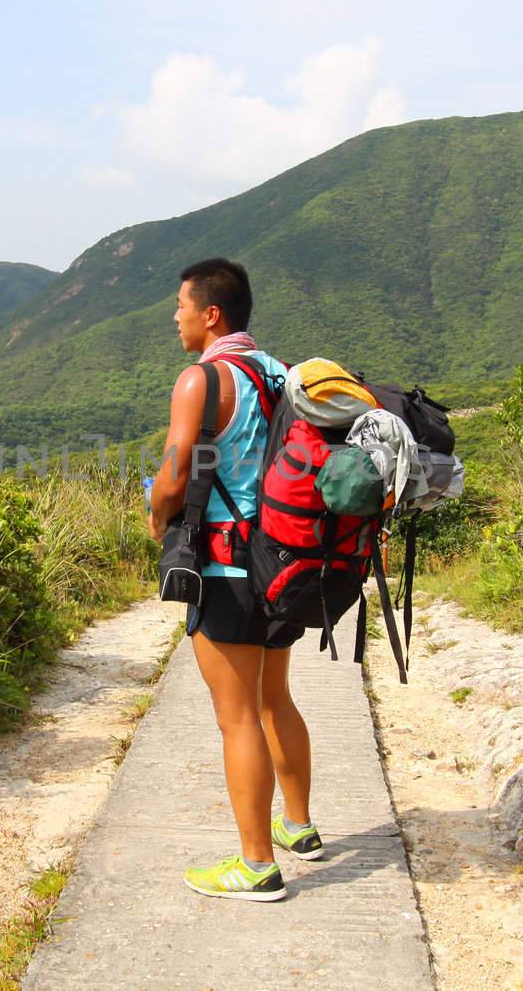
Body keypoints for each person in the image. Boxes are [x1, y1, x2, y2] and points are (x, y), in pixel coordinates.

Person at [146, 257, 325, 903]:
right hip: (287, 561)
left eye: (181, 304)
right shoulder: (285, 374)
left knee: (238, 716)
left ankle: (256, 864)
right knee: (275, 697)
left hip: (227, 567)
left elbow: (173, 474)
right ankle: (298, 826)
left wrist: (156, 514)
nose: (176, 315)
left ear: (211, 313)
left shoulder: (202, 379)